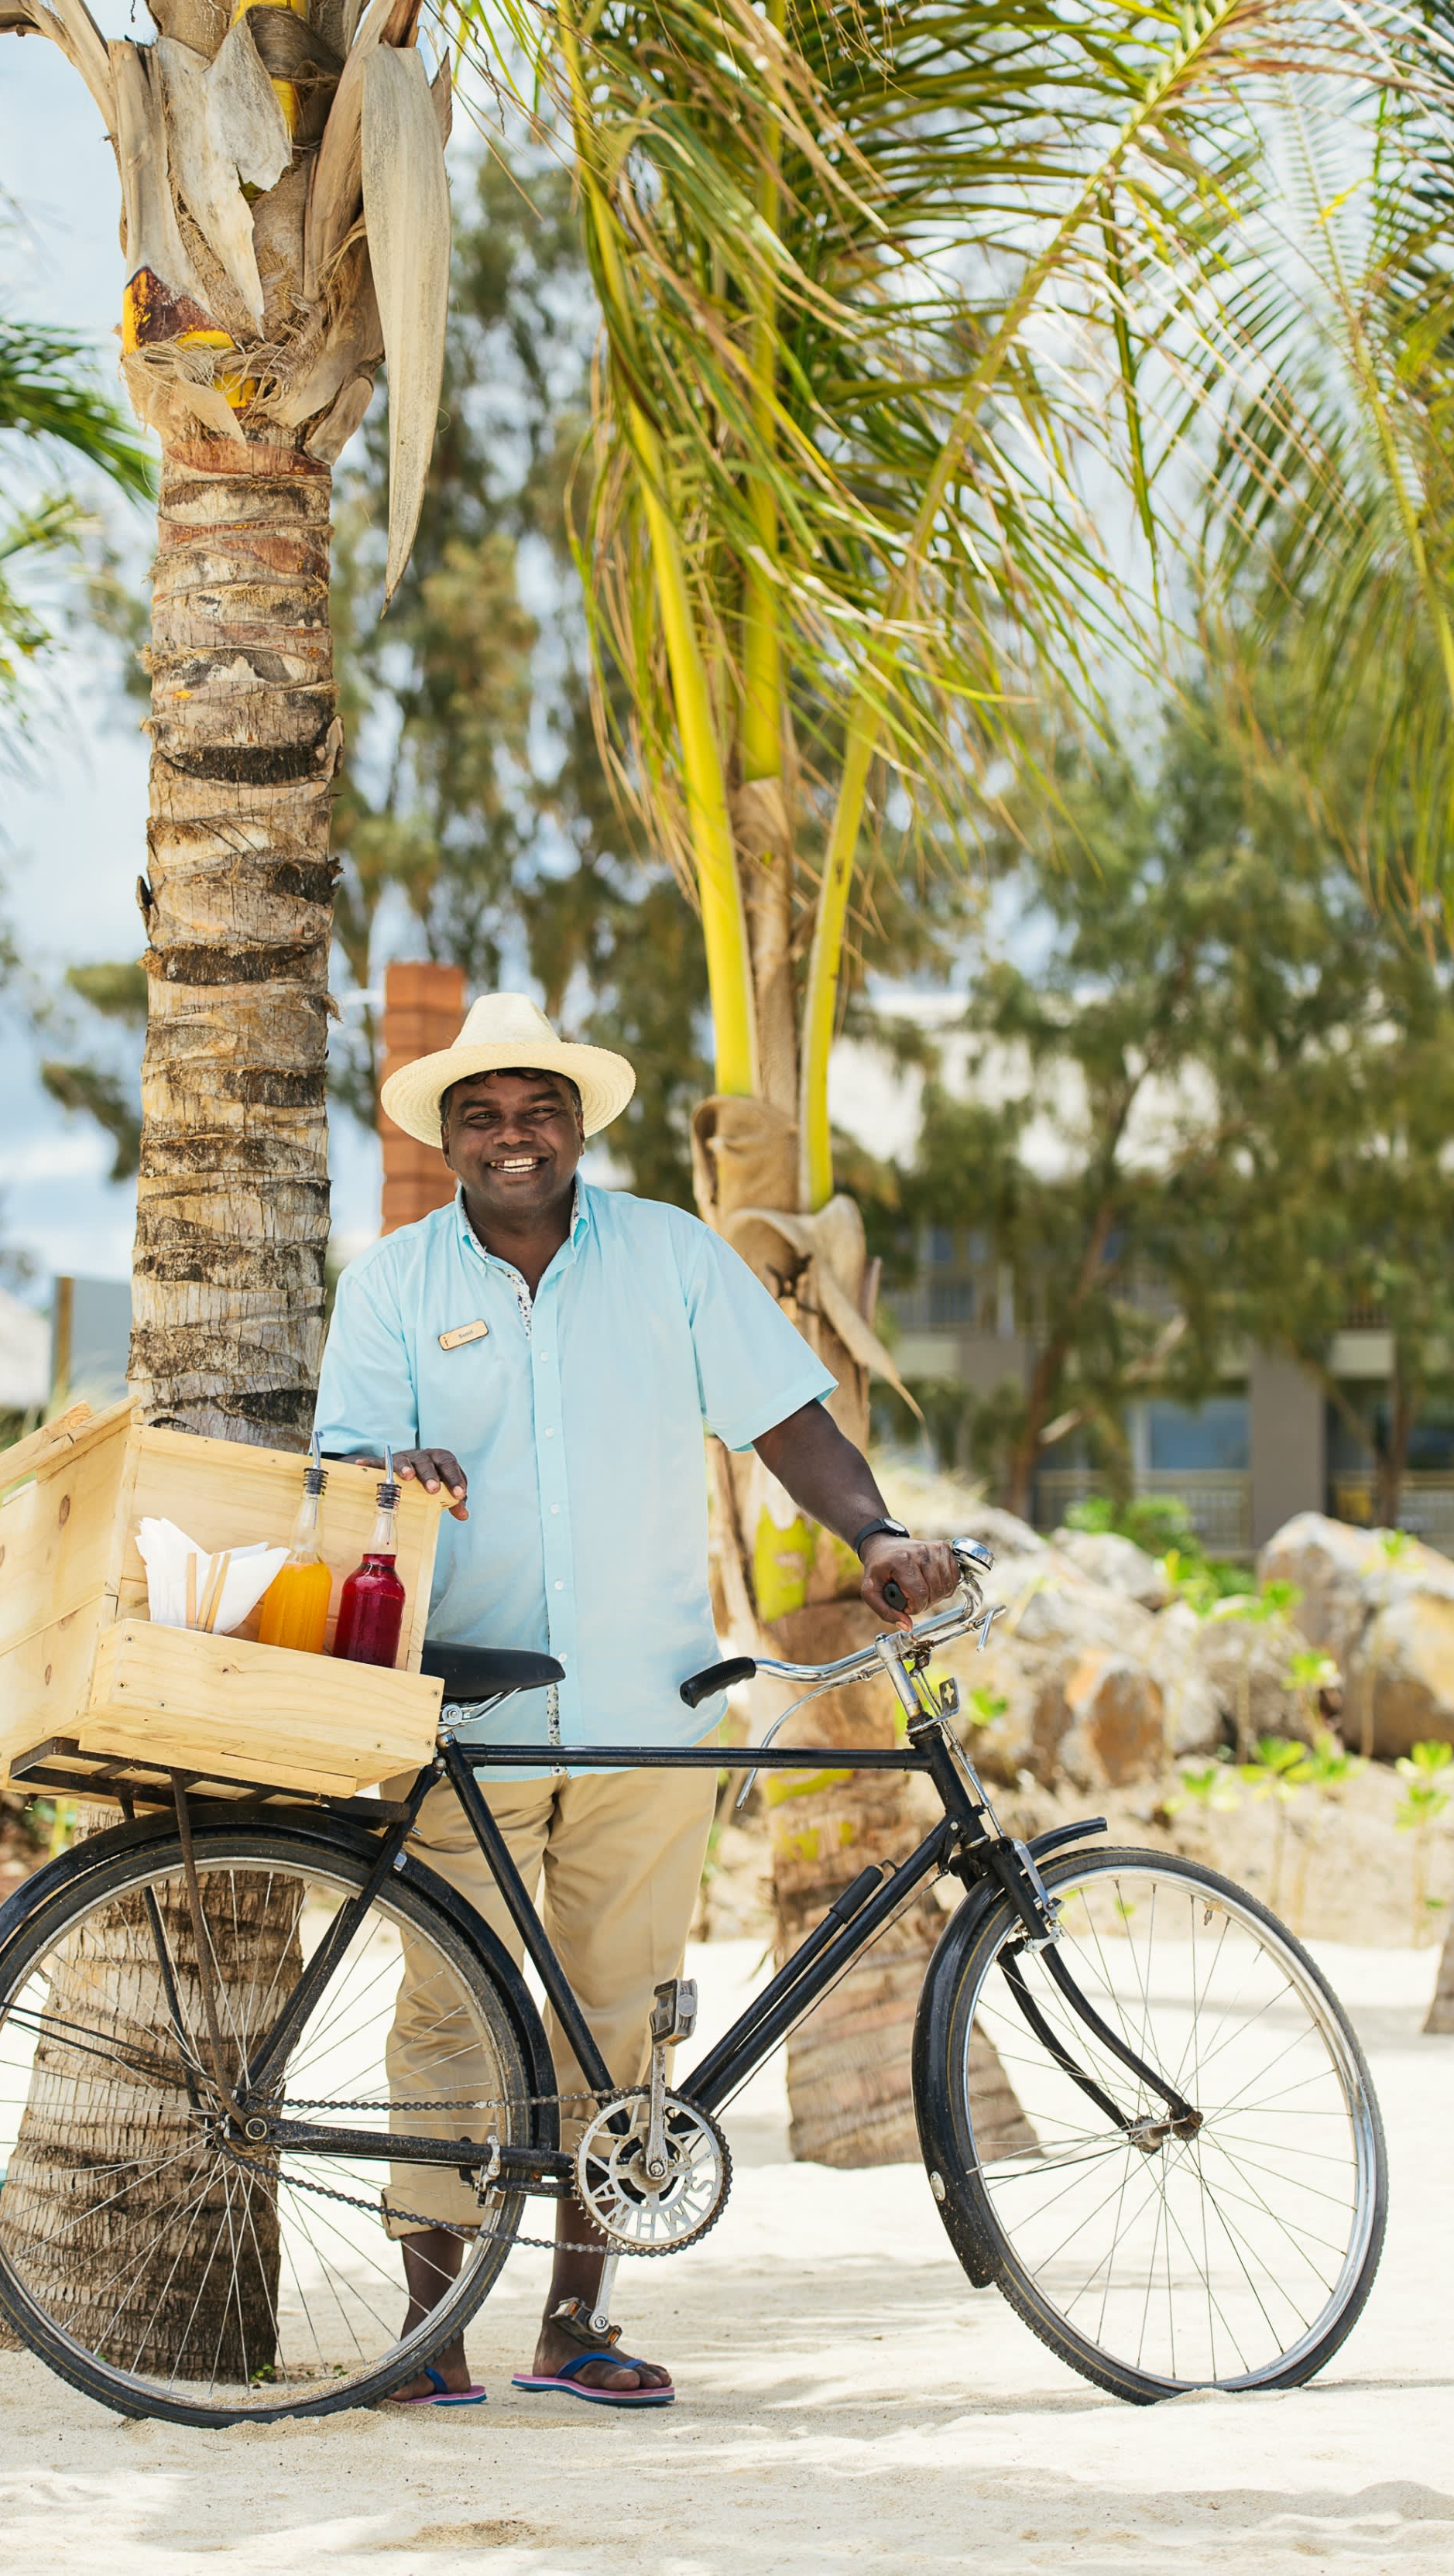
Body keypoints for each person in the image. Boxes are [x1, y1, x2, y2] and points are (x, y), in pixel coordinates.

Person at [314, 991, 960, 2406]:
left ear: (579, 1125)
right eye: (483, 1115)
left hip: (647, 1713)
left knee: (620, 2023)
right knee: (449, 2018)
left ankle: (574, 2327)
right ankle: (431, 2339)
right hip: (458, 1716)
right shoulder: (393, 1286)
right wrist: (392, 1471)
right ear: (447, 1137)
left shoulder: (672, 1256)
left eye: (538, 1109)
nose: (514, 1136)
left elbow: (786, 1415)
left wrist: (875, 1534)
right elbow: (344, 1464)